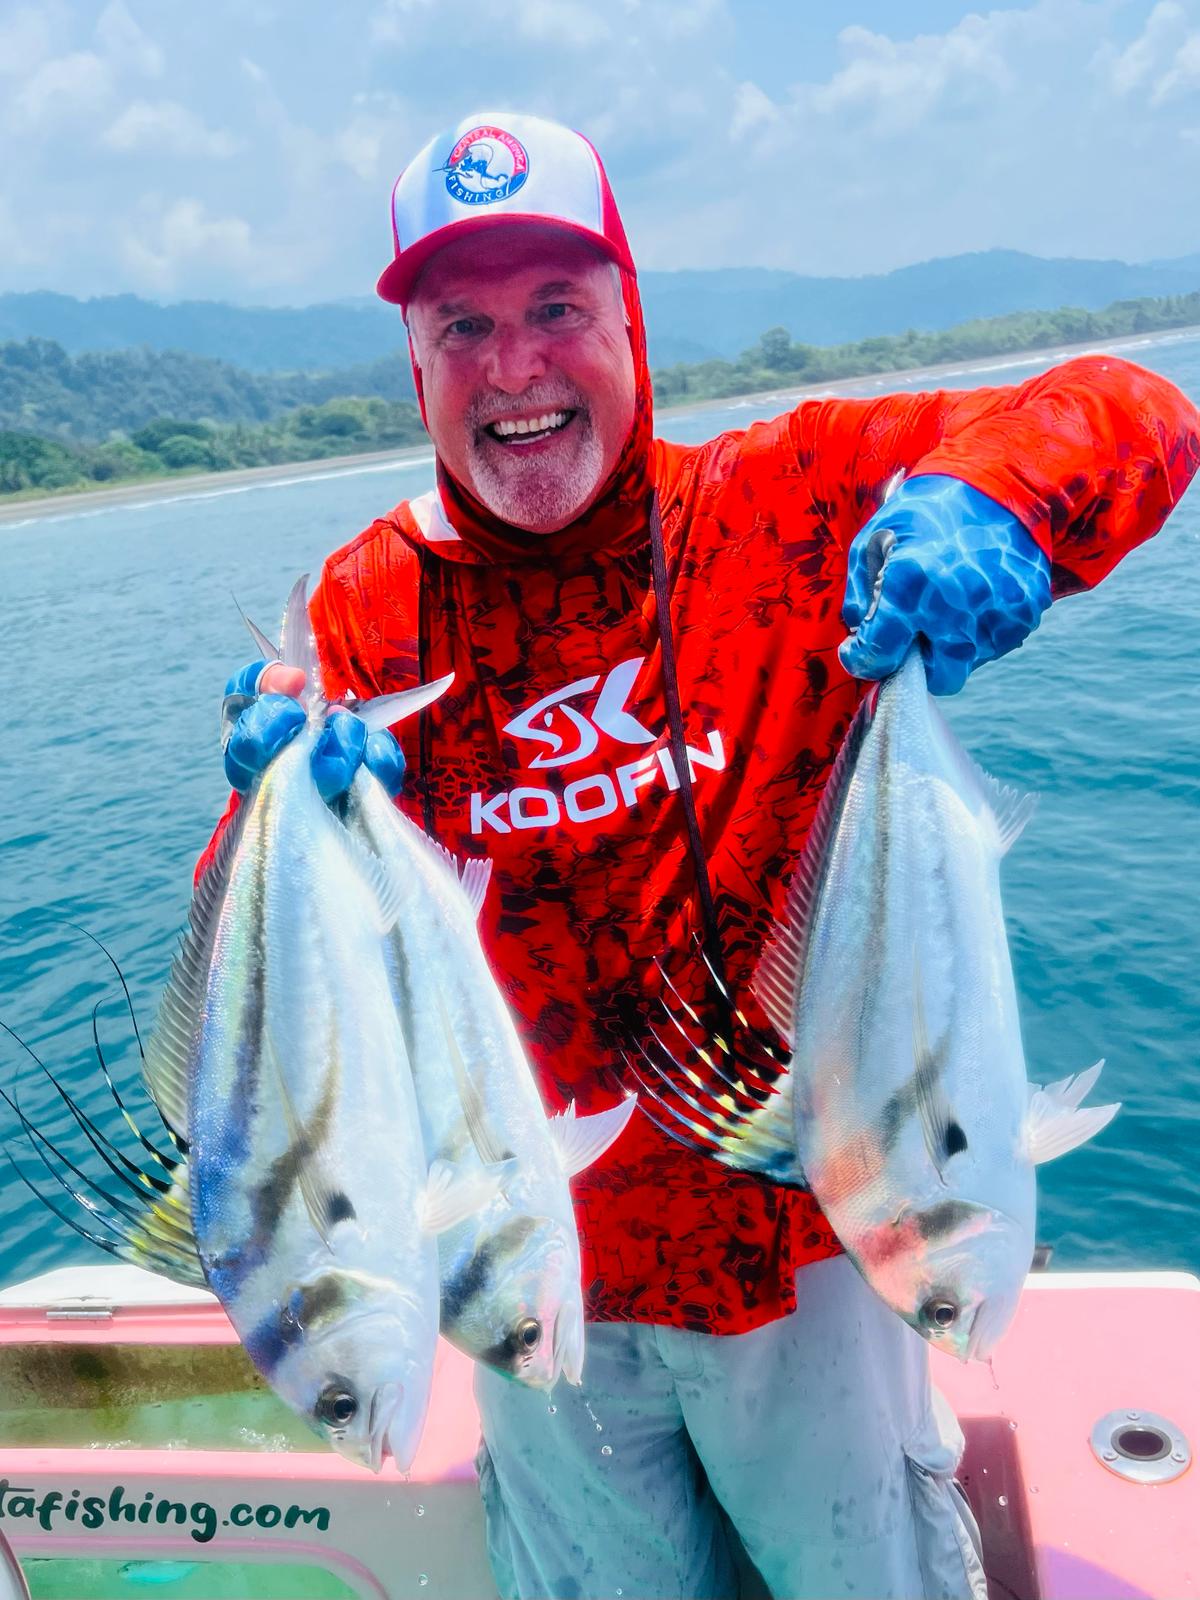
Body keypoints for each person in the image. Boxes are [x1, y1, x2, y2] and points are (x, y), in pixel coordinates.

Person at [205, 111, 1200, 1600]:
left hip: (823, 1243)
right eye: (463, 326)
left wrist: (998, 500)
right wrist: (272, 820)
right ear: (417, 366)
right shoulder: (364, 610)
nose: (515, 365)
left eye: (557, 309)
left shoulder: (789, 502)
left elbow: (1133, 408)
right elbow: (287, 998)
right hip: (526, 1266)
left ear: (631, 325)